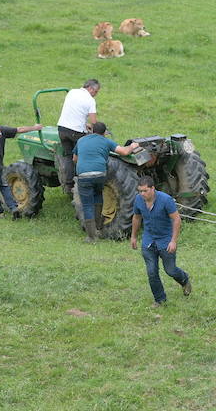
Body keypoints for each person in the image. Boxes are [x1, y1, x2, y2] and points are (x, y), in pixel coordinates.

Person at [73, 121, 139, 242]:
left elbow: (75, 159)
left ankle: (92, 237)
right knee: (98, 197)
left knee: (87, 205)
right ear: (104, 133)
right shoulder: (106, 141)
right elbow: (124, 152)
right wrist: (132, 146)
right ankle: (98, 227)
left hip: (84, 176)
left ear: (92, 130)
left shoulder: (81, 141)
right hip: (100, 175)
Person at [130, 175, 192, 306]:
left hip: (165, 240)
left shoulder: (166, 200)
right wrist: (134, 237)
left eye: (145, 191)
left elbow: (176, 219)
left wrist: (173, 241)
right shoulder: (138, 200)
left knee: (170, 270)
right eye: (140, 191)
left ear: (153, 188)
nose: (142, 194)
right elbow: (136, 217)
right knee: (152, 272)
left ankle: (184, 279)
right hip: (148, 241)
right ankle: (160, 299)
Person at [57, 79, 100, 191]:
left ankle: (68, 183)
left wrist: (85, 123)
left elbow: (74, 111)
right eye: (96, 92)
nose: (95, 95)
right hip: (76, 132)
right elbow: (94, 122)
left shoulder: (72, 92)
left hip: (62, 129)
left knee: (68, 157)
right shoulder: (90, 100)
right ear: (91, 89)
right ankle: (83, 183)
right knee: (82, 157)